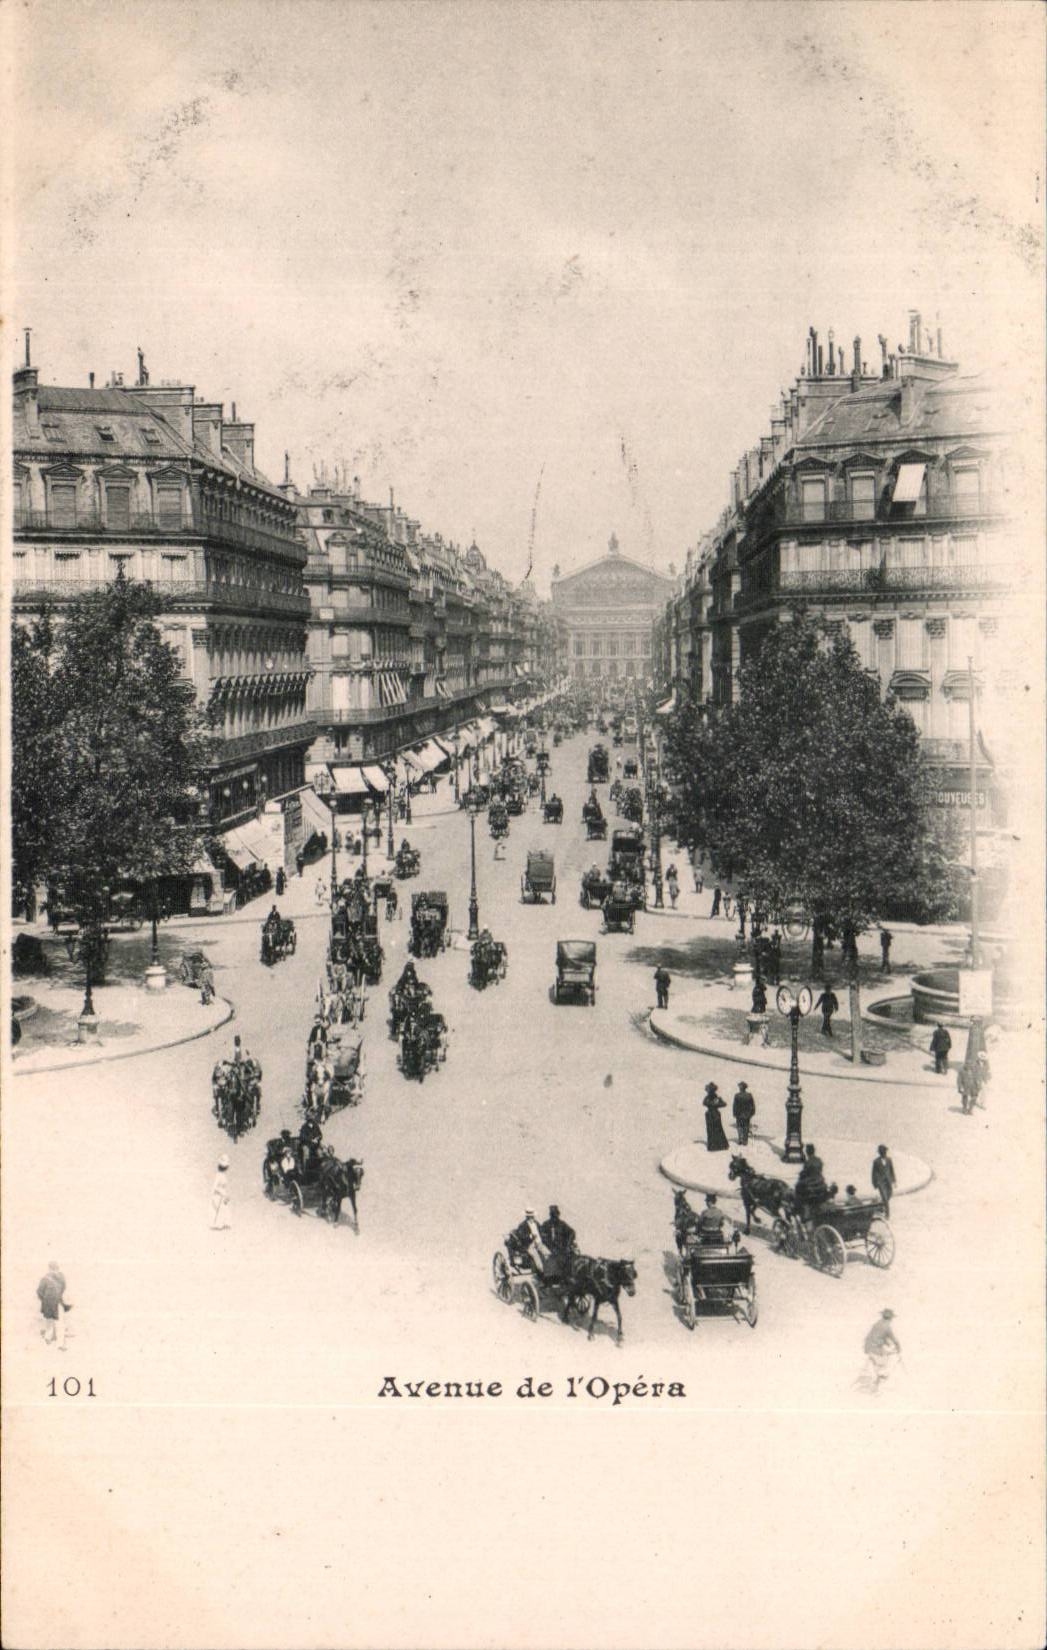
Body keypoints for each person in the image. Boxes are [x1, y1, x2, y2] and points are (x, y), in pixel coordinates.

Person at [863, 1309, 901, 1391]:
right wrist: (898, 1347)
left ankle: (875, 1384)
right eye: (891, 1318)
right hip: (876, 1350)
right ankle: (876, 1387)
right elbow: (894, 1339)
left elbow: (879, 1336)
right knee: (883, 1368)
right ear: (890, 1318)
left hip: (868, 1347)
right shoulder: (887, 1327)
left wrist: (887, 1344)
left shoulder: (877, 1324)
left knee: (877, 1367)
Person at [794, 1143, 829, 1225]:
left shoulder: (808, 1162)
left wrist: (800, 1175)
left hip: (811, 1184)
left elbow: (804, 1174)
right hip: (820, 1182)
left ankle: (799, 1208)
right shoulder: (819, 1160)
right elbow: (819, 1170)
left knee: (797, 1187)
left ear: (807, 1152)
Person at [37, 1262, 70, 1348]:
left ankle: (59, 1343)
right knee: (50, 1321)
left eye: (55, 1269)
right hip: (52, 1302)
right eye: (54, 1269)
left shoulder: (54, 1278)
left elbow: (40, 1292)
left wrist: (46, 1299)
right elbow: (39, 1292)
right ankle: (49, 1338)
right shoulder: (46, 1279)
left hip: (53, 1303)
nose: (55, 1271)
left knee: (57, 1322)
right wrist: (46, 1300)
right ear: (50, 1269)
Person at [539, 1206, 576, 1279]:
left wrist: (568, 1244)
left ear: (558, 1214)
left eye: (556, 1214)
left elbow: (572, 1232)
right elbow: (543, 1237)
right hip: (551, 1248)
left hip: (563, 1247)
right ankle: (553, 1277)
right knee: (553, 1260)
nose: (555, 1217)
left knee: (571, 1258)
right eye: (553, 1215)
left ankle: (570, 1275)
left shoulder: (562, 1224)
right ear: (550, 1215)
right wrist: (550, 1246)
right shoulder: (546, 1224)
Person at [509, 1209, 550, 1275]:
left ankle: (551, 1268)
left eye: (532, 1216)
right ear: (527, 1217)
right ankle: (542, 1271)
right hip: (529, 1245)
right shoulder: (522, 1225)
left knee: (547, 1253)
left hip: (539, 1243)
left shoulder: (536, 1223)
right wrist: (530, 1236)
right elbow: (521, 1236)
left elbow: (541, 1231)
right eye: (530, 1216)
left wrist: (543, 1235)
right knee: (536, 1256)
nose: (532, 1218)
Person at [702, 1082, 729, 1152]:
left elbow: (724, 1104)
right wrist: (715, 1104)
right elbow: (704, 1103)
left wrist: (715, 1104)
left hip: (711, 1114)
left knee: (713, 1129)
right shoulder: (713, 1098)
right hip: (714, 1114)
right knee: (716, 1129)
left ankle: (714, 1146)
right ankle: (719, 1145)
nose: (708, 1091)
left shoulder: (713, 1097)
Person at [871, 1144, 896, 1216]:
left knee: (890, 1193)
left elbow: (891, 1170)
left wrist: (894, 1181)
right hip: (881, 1183)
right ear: (880, 1153)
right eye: (882, 1152)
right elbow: (873, 1173)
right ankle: (887, 1214)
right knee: (885, 1197)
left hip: (888, 1181)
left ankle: (881, 1206)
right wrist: (874, 1183)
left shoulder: (889, 1160)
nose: (884, 1153)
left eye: (884, 1151)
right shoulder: (876, 1161)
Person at [210, 1156, 232, 1231]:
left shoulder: (223, 1175)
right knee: (220, 1209)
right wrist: (221, 1193)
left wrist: (226, 1195)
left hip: (222, 1196)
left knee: (225, 1208)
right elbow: (215, 1187)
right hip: (217, 1196)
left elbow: (224, 1187)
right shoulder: (218, 1175)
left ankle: (225, 1223)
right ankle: (217, 1224)